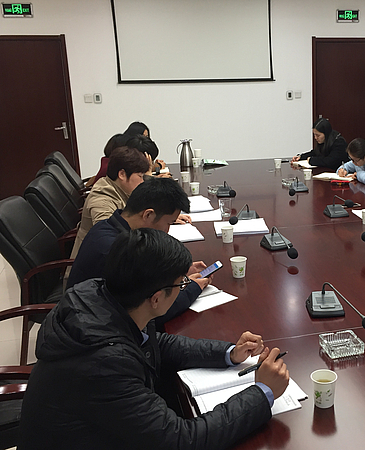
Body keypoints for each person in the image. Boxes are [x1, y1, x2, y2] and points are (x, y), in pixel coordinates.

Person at [19, 228, 289, 449]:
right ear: (157, 298)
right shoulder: (105, 365)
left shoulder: (103, 295)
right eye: (181, 284)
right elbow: (181, 440)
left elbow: (157, 342)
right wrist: (262, 392)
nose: (184, 288)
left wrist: (229, 353)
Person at [67, 177, 209, 328]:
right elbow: (151, 313)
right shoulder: (119, 251)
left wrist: (176, 274)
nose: (167, 231)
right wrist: (192, 288)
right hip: (95, 330)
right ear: (148, 215)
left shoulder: (110, 225)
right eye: (169, 223)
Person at [71, 146, 150, 259]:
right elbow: (108, 236)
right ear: (122, 174)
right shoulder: (101, 198)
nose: (142, 181)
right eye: (140, 176)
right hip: (94, 264)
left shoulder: (121, 189)